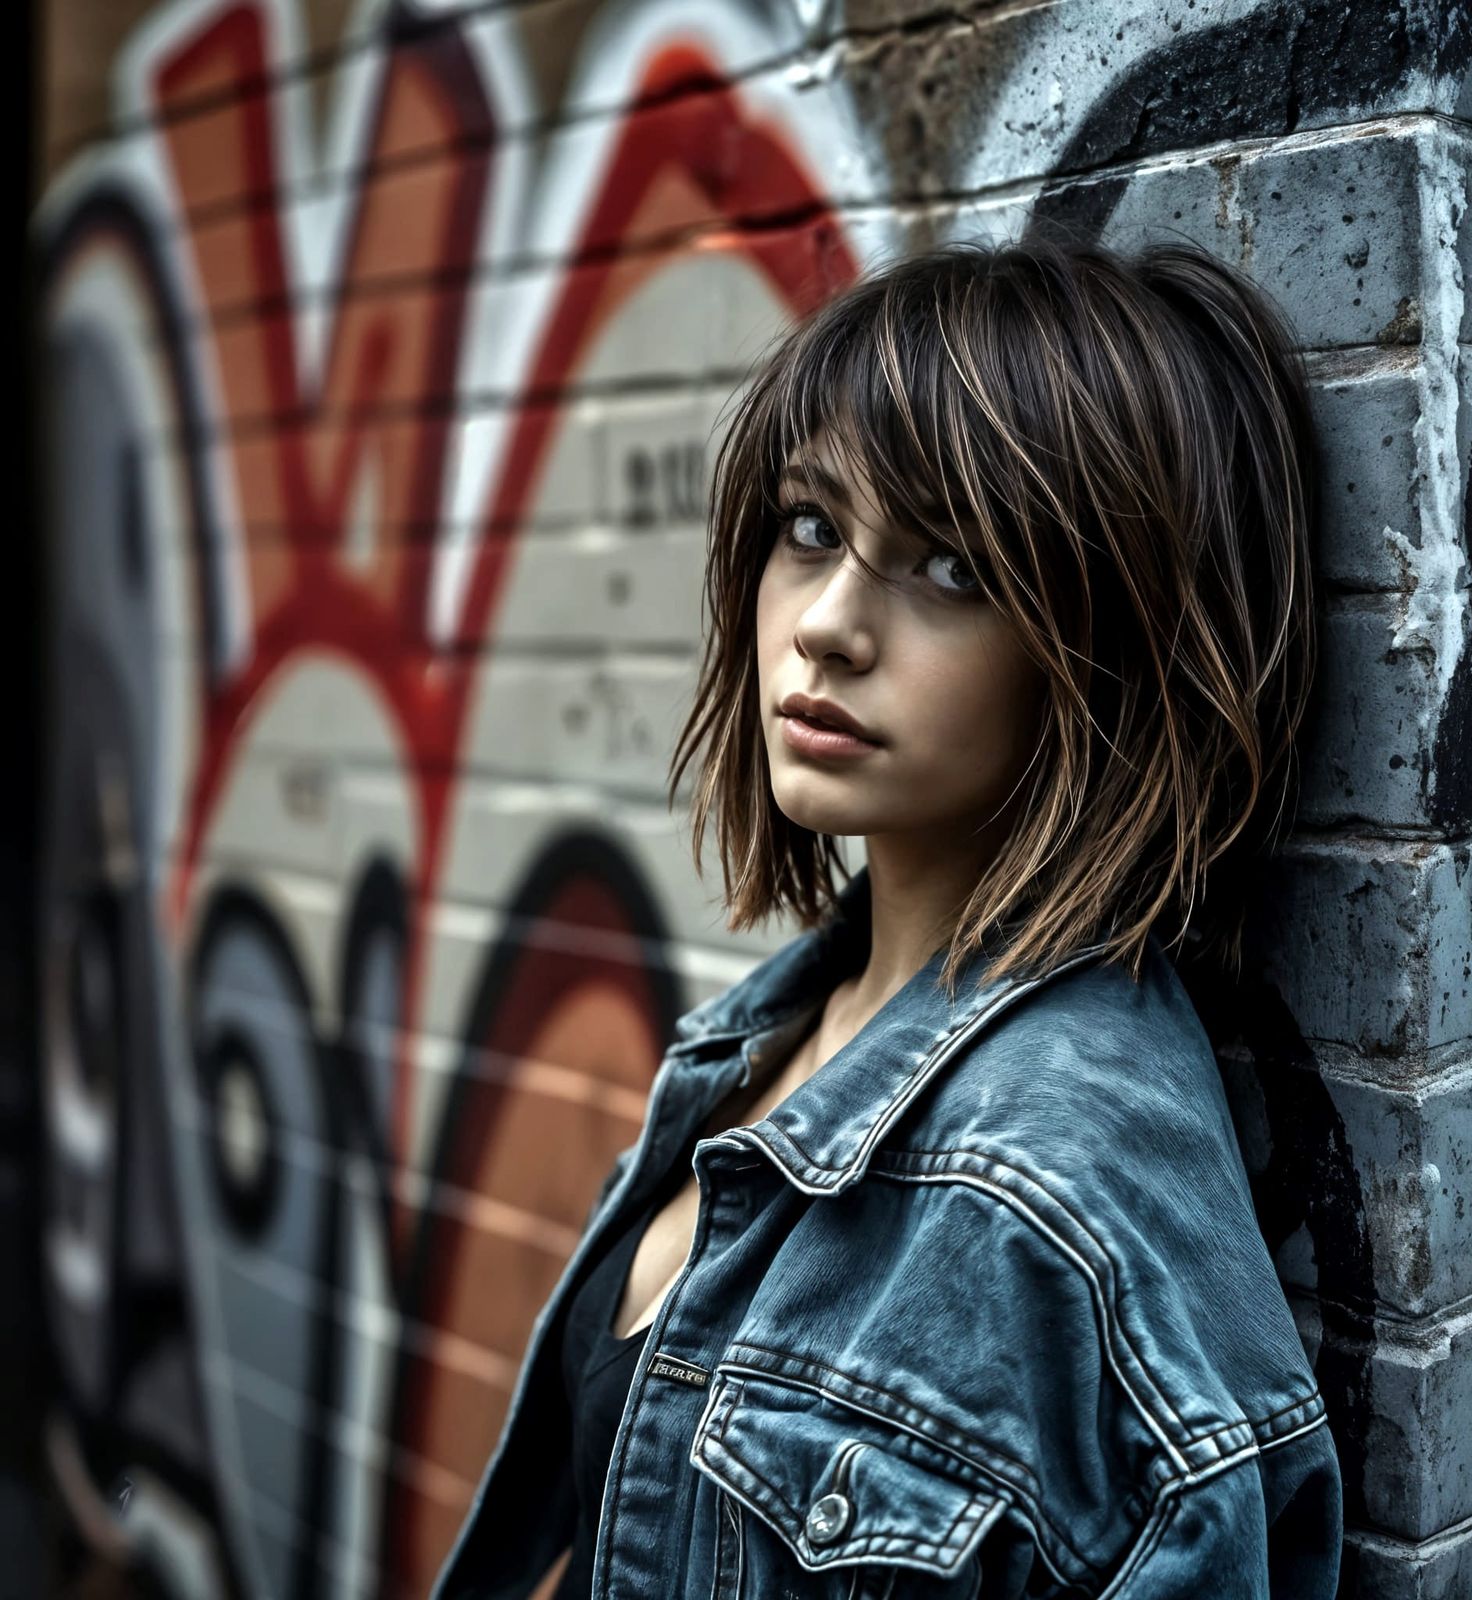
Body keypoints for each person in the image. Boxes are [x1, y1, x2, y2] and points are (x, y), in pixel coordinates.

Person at [431, 229, 1342, 1600]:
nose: (829, 624)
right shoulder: (784, 1025)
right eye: (812, 529)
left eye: (954, 568)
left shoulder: (1065, 1183)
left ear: (1108, 649)